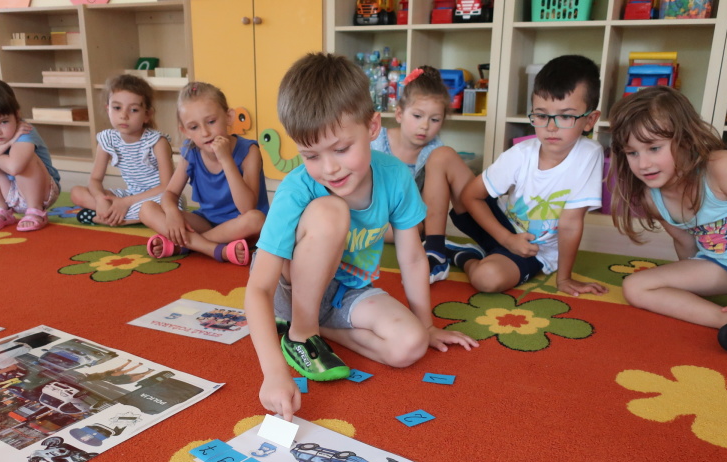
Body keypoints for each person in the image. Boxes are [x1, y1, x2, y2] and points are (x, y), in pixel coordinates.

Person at [245, 53, 477, 421]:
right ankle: (301, 334)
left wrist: (426, 324)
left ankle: (314, 328)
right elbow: (259, 287)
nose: (329, 168)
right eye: (311, 155)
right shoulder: (296, 189)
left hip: (347, 291)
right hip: (288, 288)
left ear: (372, 127)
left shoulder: (395, 177)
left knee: (410, 345)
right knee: (331, 211)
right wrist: (274, 373)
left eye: (341, 149)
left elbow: (412, 257)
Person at [608, 86, 727, 354]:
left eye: (654, 148)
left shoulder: (722, 167)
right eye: (633, 153)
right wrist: (688, 285)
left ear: (685, 140)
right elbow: (686, 244)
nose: (643, 164)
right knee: (635, 287)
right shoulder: (652, 197)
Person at [450, 55, 608, 298]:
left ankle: (464, 255)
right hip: (499, 227)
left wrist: (564, 278)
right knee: (443, 157)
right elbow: (471, 195)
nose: (551, 127)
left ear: (590, 120)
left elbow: (570, 223)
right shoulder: (521, 153)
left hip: (533, 250)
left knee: (486, 278)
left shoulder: (589, 154)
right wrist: (507, 238)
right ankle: (435, 247)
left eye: (565, 116)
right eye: (542, 115)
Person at [141, 81, 268, 265]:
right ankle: (214, 249)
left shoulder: (249, 152)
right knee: (147, 209)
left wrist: (226, 159)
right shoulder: (190, 151)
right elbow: (170, 194)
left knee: (256, 220)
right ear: (185, 131)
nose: (205, 132)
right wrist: (172, 213)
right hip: (206, 222)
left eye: (211, 122)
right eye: (194, 127)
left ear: (229, 117)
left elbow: (247, 208)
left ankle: (185, 245)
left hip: (241, 225)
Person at [371, 65, 474, 284]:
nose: (425, 126)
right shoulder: (376, 140)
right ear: (399, 114)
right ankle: (444, 246)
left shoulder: (435, 152)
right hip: (373, 210)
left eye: (435, 120)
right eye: (417, 116)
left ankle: (435, 245)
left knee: (413, 227)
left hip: (410, 218)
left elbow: (432, 201)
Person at [70, 74, 173, 226]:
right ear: (108, 109)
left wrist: (126, 202)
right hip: (131, 194)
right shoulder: (107, 139)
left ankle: (112, 217)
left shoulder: (157, 142)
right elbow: (95, 180)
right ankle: (118, 214)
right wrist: (100, 199)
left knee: (157, 206)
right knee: (77, 193)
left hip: (158, 196)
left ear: (147, 115)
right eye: (117, 108)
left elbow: (167, 186)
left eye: (134, 110)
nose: (124, 115)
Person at [0, 78, 61, 232]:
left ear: (16, 114)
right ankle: (2, 210)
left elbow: (15, 167)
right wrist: (4, 145)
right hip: (8, 191)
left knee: (24, 159)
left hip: (41, 192)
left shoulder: (25, 130)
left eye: (4, 122)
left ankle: (35, 211)